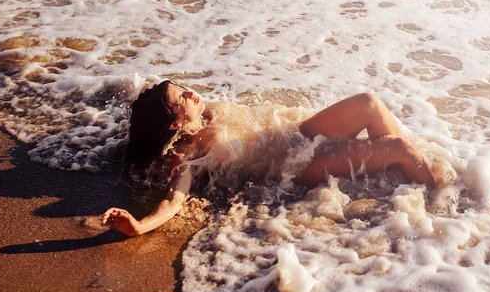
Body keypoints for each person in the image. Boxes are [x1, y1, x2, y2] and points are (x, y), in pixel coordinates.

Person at [100, 80, 437, 236]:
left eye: (181, 86)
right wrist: (140, 226)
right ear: (175, 123)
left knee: (369, 102)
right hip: (299, 164)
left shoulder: (206, 111)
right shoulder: (187, 153)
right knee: (399, 149)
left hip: (298, 133)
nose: (190, 91)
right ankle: (440, 205)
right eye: (181, 97)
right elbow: (174, 201)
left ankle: (402, 181)